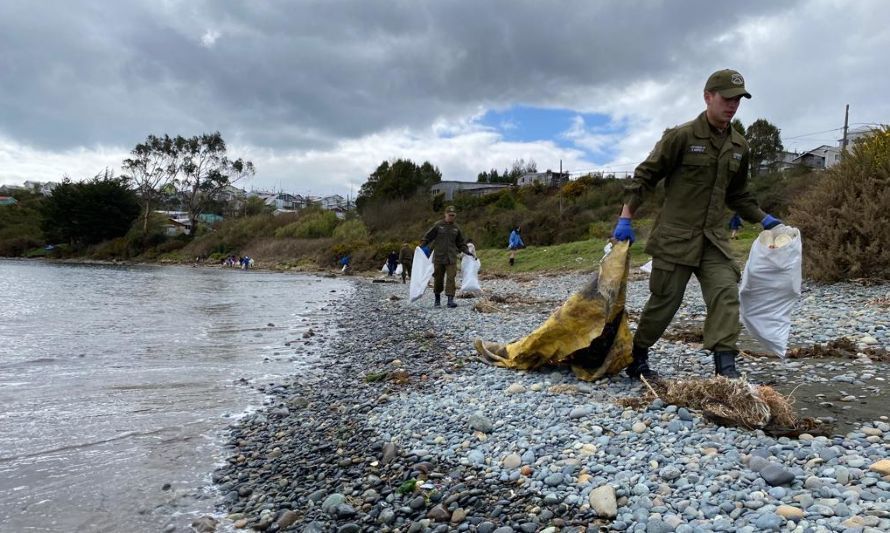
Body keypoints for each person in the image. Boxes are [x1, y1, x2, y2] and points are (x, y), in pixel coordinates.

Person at [612, 69, 782, 381]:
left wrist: (764, 219)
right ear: (708, 97)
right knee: (665, 299)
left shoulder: (739, 147)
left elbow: (739, 194)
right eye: (727, 98)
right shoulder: (682, 136)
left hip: (714, 240)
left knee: (726, 293)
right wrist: (626, 217)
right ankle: (638, 355)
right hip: (675, 237)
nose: (732, 105)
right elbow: (645, 176)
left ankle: (725, 366)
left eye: (738, 100)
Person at [419, 205, 472, 308]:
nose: (451, 217)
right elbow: (428, 236)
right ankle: (437, 299)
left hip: (451, 257)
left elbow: (460, 243)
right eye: (450, 215)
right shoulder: (438, 225)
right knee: (438, 278)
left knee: (451, 278)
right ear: (445, 214)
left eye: (453, 215)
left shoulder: (456, 228)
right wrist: (422, 245)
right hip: (439, 257)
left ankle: (450, 300)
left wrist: (466, 251)